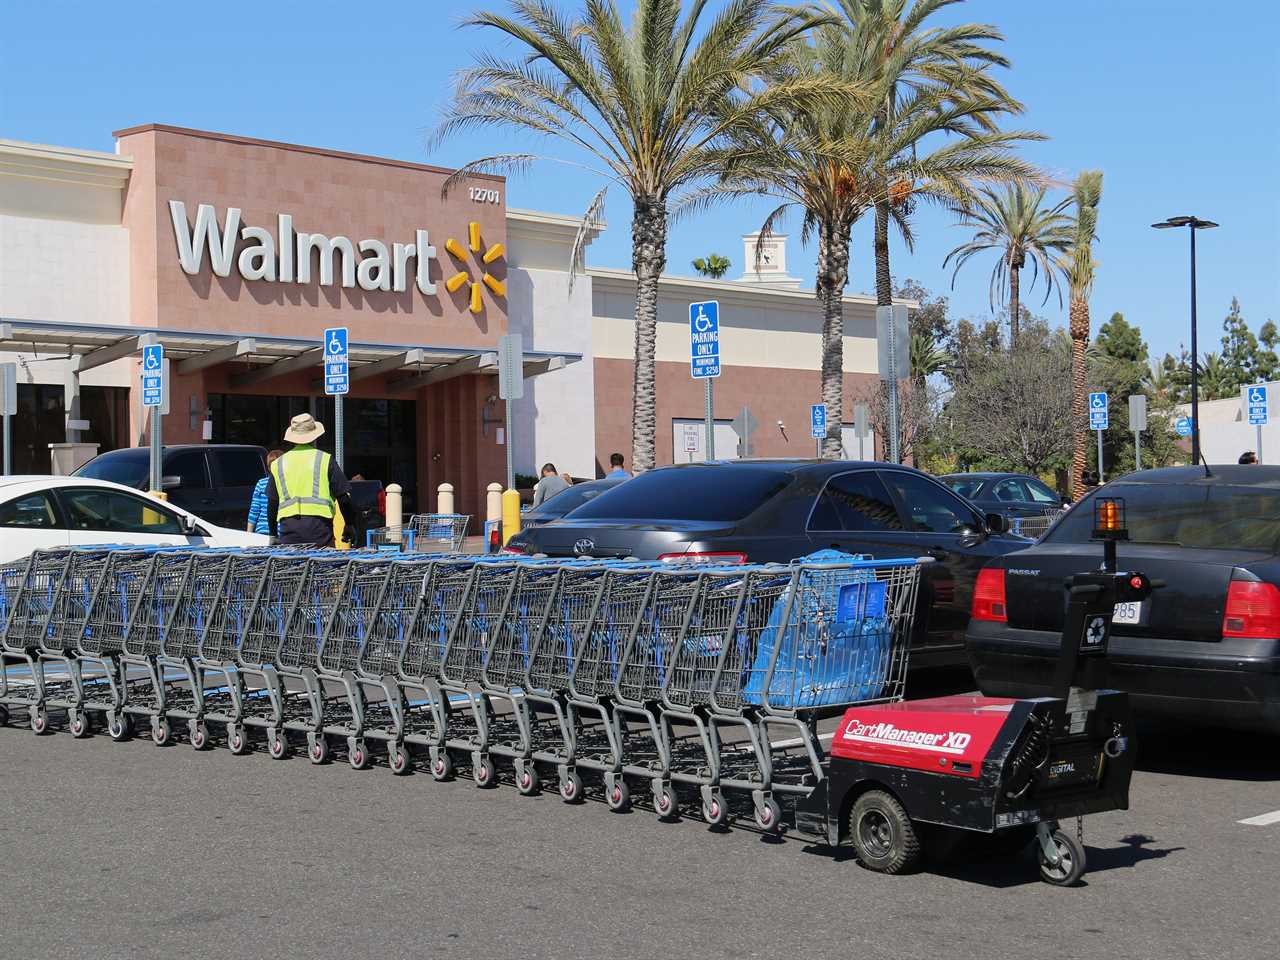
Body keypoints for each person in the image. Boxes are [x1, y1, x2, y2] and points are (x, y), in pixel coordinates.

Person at [266, 413, 359, 547]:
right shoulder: (325, 459)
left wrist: (273, 534)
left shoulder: (278, 464)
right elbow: (343, 498)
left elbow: (272, 504)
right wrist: (350, 525)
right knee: (321, 566)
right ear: (315, 436)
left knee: (292, 567)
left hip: (289, 531)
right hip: (320, 529)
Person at [246, 449, 284, 534]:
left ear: (268, 467)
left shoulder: (261, 483)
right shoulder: (287, 484)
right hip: (281, 532)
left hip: (262, 532)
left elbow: (254, 512)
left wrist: (249, 535)